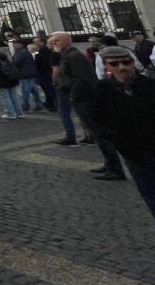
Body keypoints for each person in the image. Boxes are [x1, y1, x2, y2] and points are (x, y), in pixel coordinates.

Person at [49, 31, 127, 181]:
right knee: (96, 133)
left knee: (99, 133)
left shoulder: (74, 56)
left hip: (83, 99)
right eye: (52, 41)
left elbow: (82, 78)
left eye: (57, 41)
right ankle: (109, 164)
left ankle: (115, 168)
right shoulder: (68, 55)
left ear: (67, 41)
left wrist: (73, 95)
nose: (54, 44)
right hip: (79, 98)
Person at [92, 45, 155, 220]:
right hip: (133, 153)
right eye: (115, 63)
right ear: (107, 67)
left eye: (126, 62)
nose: (122, 67)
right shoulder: (103, 89)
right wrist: (118, 142)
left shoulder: (149, 85)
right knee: (150, 195)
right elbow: (98, 119)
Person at [0, 45, 24, 119]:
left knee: (5, 97)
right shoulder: (5, 57)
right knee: (14, 96)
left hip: (0, 81)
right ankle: (19, 113)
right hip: (11, 79)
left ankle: (11, 114)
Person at [12, 39, 44, 111]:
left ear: (20, 44)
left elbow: (16, 62)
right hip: (30, 73)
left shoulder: (21, 52)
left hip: (25, 74)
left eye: (16, 43)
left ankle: (25, 106)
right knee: (34, 91)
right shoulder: (25, 51)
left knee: (25, 91)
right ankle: (39, 104)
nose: (14, 45)